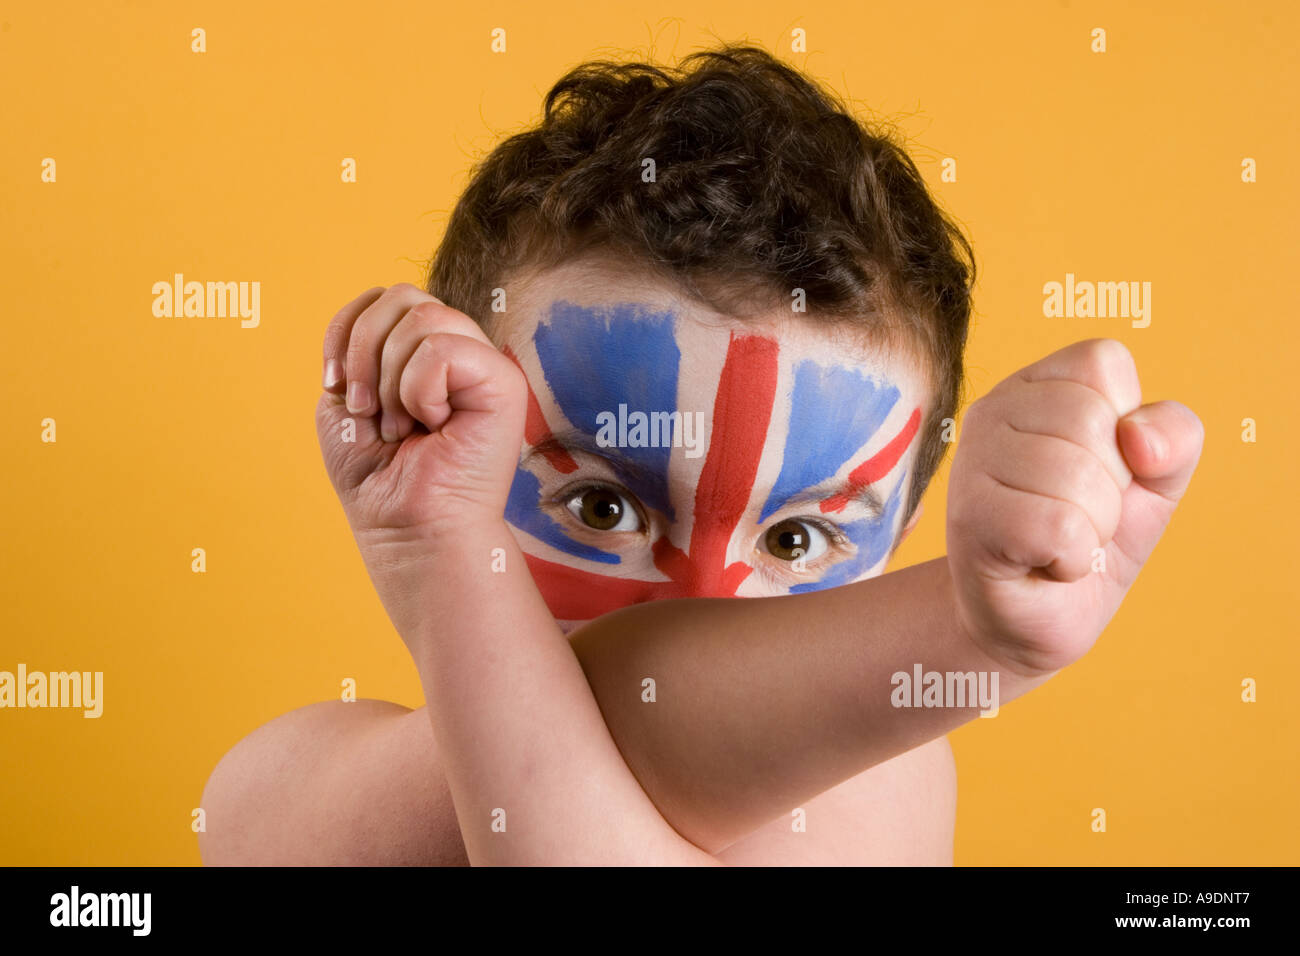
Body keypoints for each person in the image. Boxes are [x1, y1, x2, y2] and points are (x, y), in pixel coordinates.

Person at [198, 44, 1203, 865]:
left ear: (901, 535)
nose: (702, 601)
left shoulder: (873, 787)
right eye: (601, 506)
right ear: (436, 460)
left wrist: (449, 568)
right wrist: (966, 635)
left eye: (799, 534)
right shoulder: (299, 781)